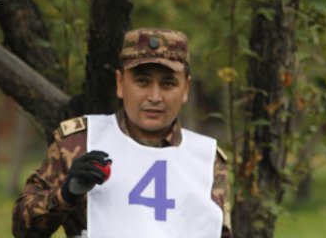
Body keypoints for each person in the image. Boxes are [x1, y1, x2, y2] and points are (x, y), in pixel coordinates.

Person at [12, 28, 232, 238]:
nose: (155, 96)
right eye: (142, 81)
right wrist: (66, 194)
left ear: (185, 89)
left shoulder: (208, 159)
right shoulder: (79, 143)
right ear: (120, 83)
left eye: (168, 83)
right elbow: (24, 229)